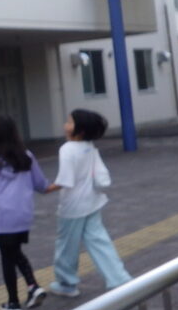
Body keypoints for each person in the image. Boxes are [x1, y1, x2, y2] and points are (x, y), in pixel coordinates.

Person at [45, 109, 132, 297]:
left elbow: (65, 180)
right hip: (92, 202)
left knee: (66, 246)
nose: (65, 125)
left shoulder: (67, 149)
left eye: (70, 122)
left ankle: (67, 283)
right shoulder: (89, 146)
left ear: (80, 130)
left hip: (72, 207)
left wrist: (46, 188)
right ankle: (120, 279)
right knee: (100, 242)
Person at [0, 115, 49, 310]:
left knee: (8, 257)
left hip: (3, 214)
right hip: (24, 213)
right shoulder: (26, 156)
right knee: (14, 251)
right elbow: (40, 183)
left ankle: (14, 302)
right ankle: (32, 287)